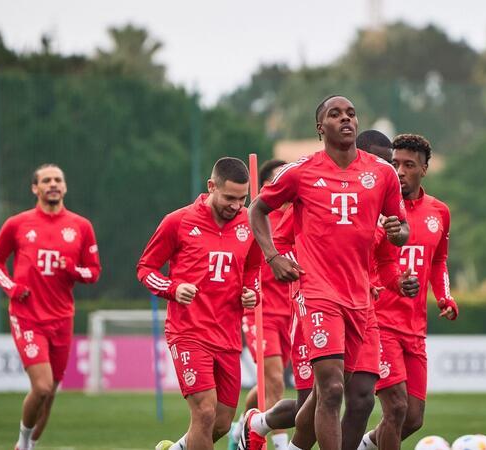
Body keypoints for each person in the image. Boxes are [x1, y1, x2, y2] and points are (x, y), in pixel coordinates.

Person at [245, 96, 409, 450]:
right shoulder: (300, 172)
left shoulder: (382, 174)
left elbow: (401, 230)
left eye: (351, 114)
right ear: (321, 128)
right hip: (316, 293)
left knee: (354, 396)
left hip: (361, 299)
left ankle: (285, 444)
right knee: (332, 390)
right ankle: (265, 428)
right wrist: (273, 257)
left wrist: (399, 233)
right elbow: (256, 209)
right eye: (335, 115)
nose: (346, 119)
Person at [137, 157, 262, 450]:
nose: (235, 205)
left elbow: (254, 270)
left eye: (242, 199)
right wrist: (172, 287)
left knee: (220, 422)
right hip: (188, 332)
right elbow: (145, 269)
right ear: (211, 187)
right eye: (229, 197)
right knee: (204, 412)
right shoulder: (177, 222)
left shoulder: (249, 222)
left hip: (228, 335)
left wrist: (251, 292)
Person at [0, 164, 101, 450]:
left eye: (58, 180)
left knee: (49, 394)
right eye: (46, 180)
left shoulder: (81, 226)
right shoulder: (17, 224)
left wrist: (73, 271)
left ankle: (31, 445)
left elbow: (93, 272)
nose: (53, 184)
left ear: (65, 187)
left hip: (62, 319)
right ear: (35, 188)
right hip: (27, 317)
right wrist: (11, 287)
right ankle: (23, 443)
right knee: (42, 386)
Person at [358, 134, 459, 450]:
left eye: (408, 165)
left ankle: (360, 446)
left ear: (424, 169)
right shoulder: (376, 212)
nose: (399, 171)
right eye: (394, 164)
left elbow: (439, 260)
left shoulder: (439, 212)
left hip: (414, 329)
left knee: (413, 418)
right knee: (397, 408)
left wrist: (444, 295)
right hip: (379, 323)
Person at [228, 159, 292, 450]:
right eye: (280, 178)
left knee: (268, 385)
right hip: (260, 311)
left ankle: (238, 428)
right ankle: (279, 444)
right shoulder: (252, 218)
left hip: (291, 314)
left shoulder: (297, 215)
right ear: (267, 185)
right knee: (276, 380)